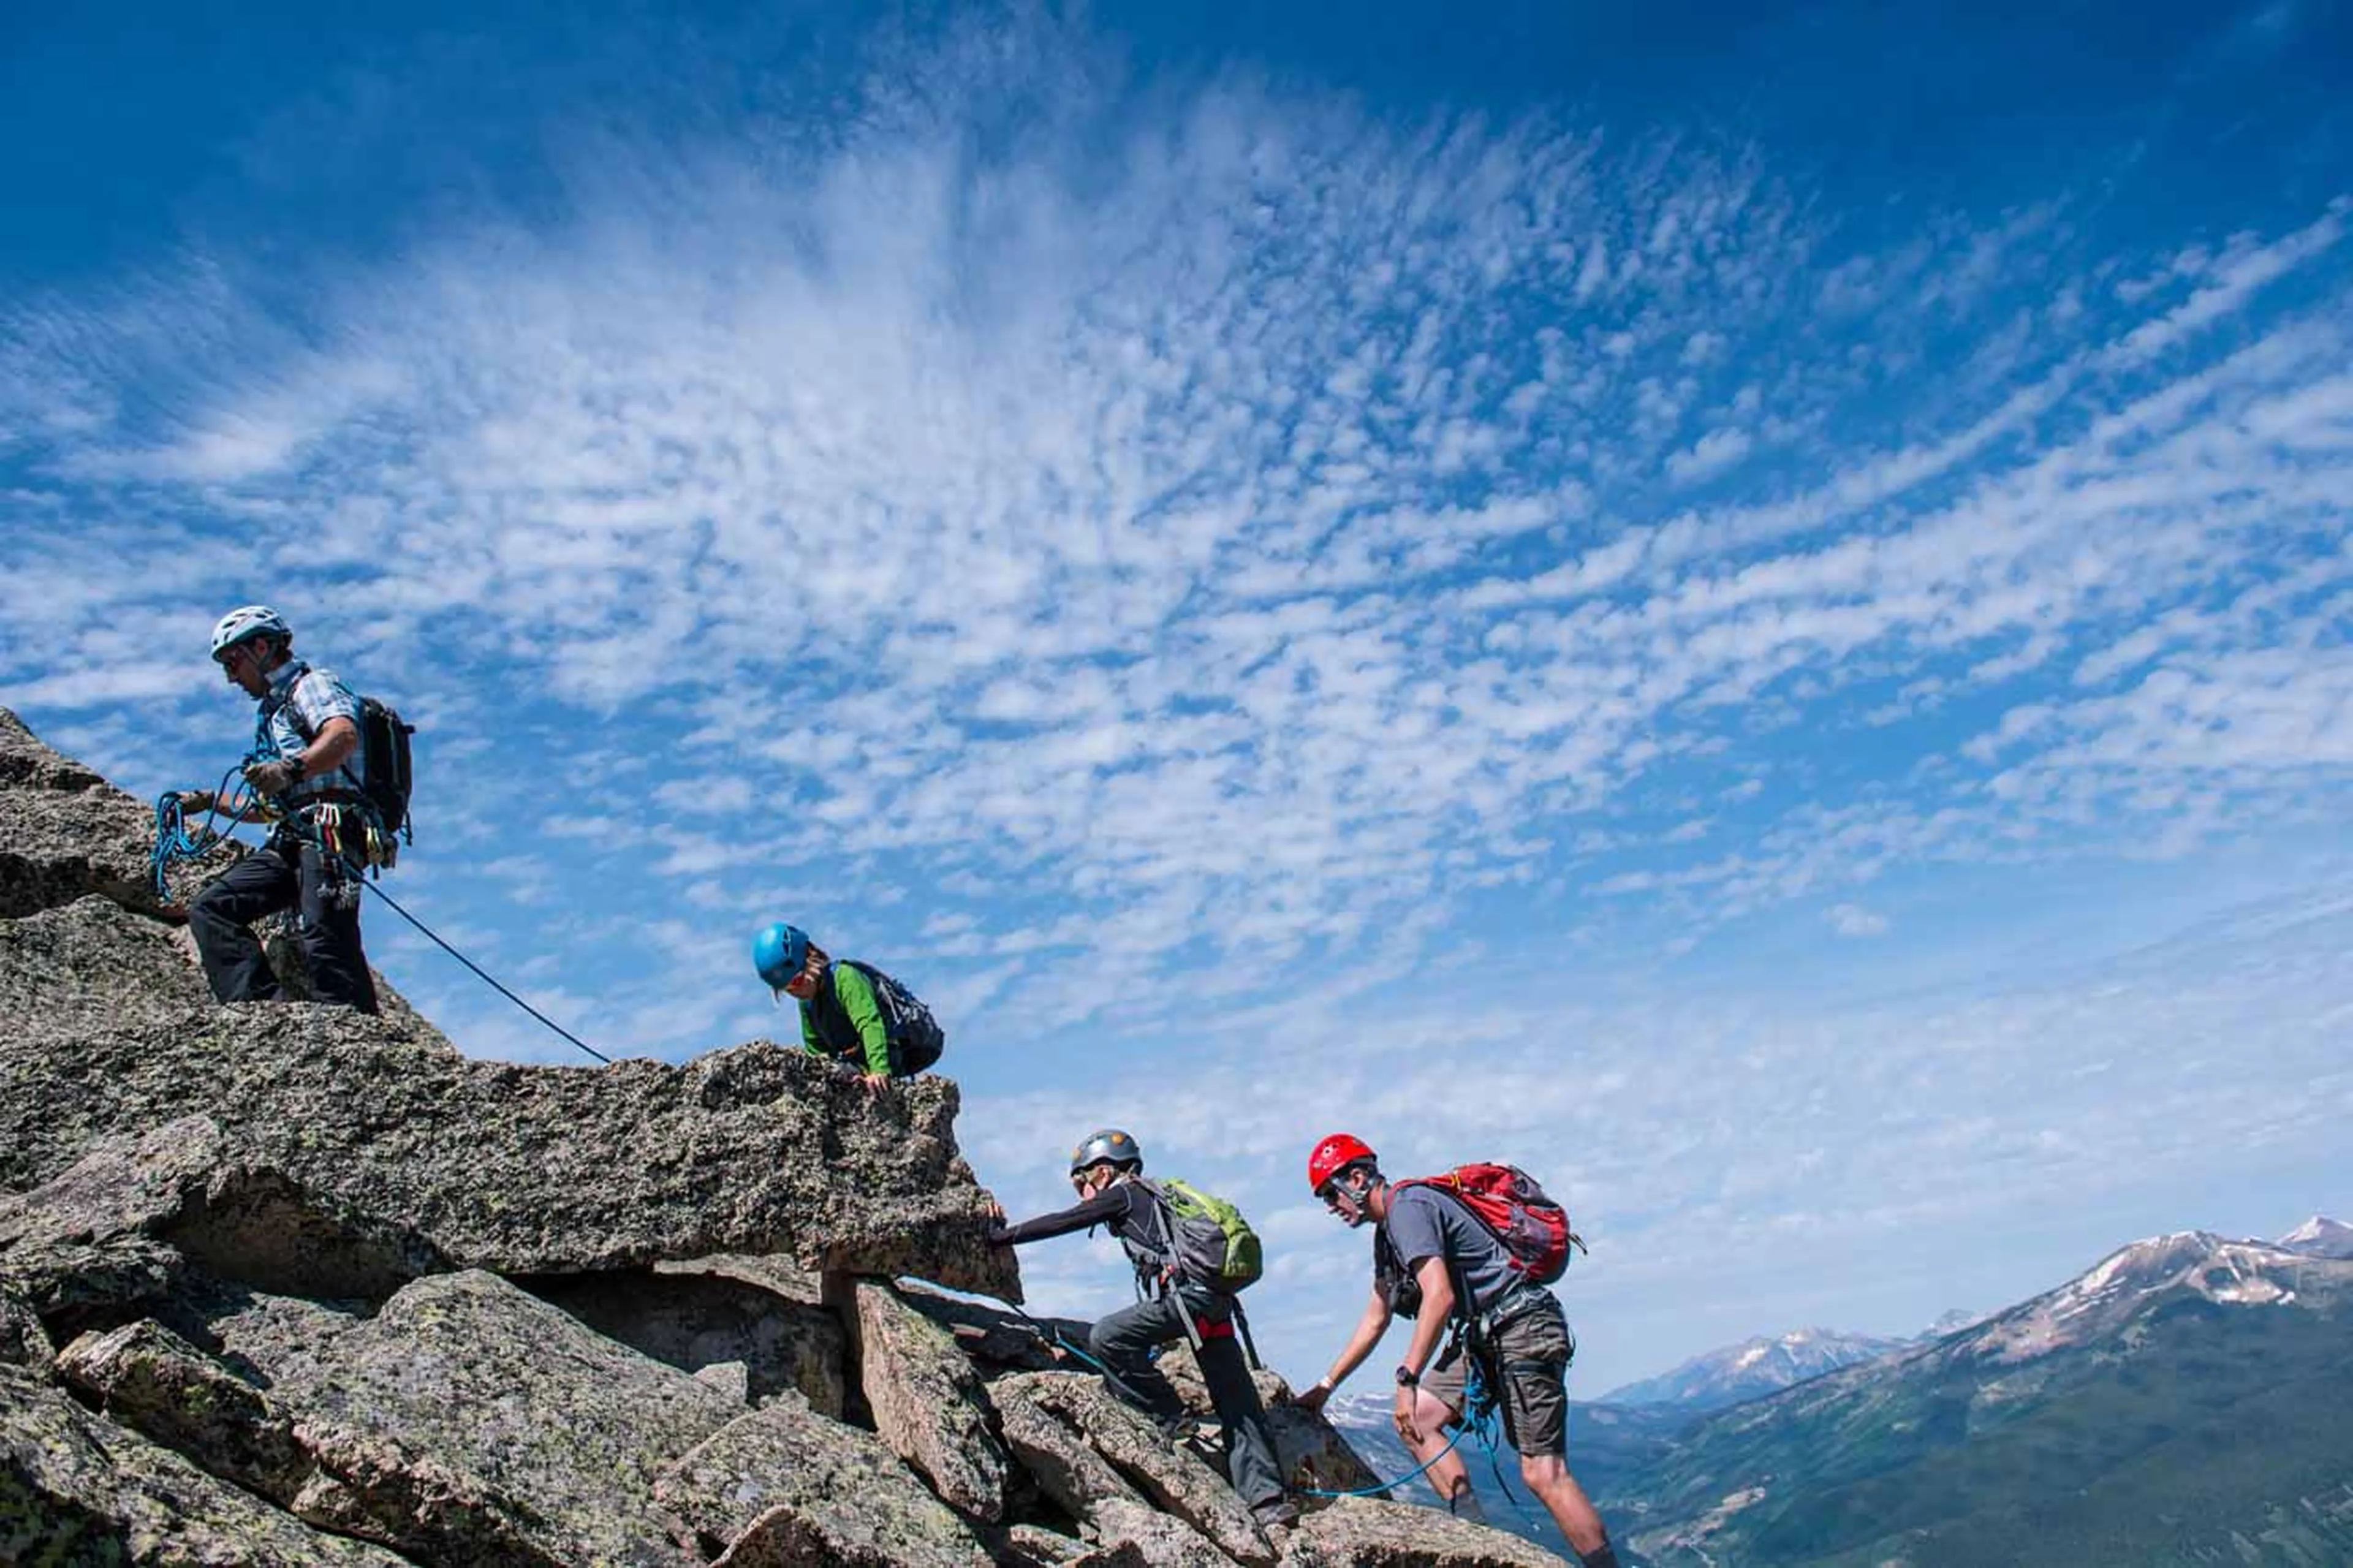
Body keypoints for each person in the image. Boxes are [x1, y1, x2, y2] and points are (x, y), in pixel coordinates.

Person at [1298, 1133, 1620, 1568]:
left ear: (1357, 1178)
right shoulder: (1388, 1235)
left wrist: (1407, 1378)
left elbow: (1440, 1296)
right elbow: (1376, 1318)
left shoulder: (1408, 1209)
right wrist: (1326, 1386)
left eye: (1330, 1193)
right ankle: (1481, 1546)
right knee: (1419, 1421)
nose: (1330, 1206)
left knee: (1543, 1473)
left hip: (1522, 1324)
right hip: (1489, 1332)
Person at [987, 1129, 1300, 1533]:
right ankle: (1268, 1502)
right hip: (1213, 1299)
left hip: (1187, 1300)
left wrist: (1002, 1236)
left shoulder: (1124, 1193)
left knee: (1107, 1336)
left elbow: (1064, 1221)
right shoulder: (1154, 1193)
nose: (1083, 1192)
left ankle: (1169, 1415)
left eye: (1082, 1181)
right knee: (1237, 1400)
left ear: (1102, 1171)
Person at [180, 605, 379, 1016]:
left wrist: (290, 768)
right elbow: (268, 806)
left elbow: (342, 734)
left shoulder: (312, 685)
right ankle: (265, 1015)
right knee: (212, 908)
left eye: (233, 662)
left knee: (326, 933)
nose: (231, 676)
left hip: (332, 830)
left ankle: (359, 1036)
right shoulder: (272, 711)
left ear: (262, 647)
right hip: (294, 834)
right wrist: (207, 801)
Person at [751, 922, 944, 1093]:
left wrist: (879, 1071)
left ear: (811, 959)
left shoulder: (845, 978)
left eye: (798, 980)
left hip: (892, 1049)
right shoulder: (807, 1003)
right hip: (857, 1060)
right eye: (787, 989)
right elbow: (815, 1050)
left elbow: (870, 1023)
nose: (797, 991)